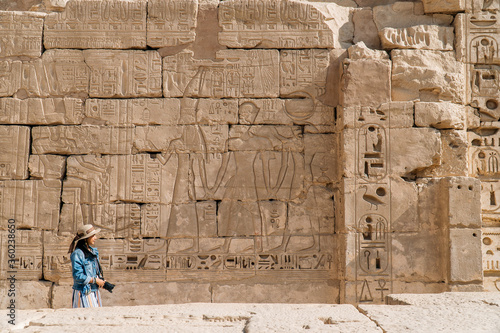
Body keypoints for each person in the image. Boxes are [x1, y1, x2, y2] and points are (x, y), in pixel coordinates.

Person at [68, 224, 105, 308]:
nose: (95, 238)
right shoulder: (78, 254)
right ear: (86, 238)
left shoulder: (93, 252)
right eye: (93, 236)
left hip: (94, 291)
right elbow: (77, 276)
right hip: (84, 293)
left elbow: (95, 270)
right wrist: (95, 280)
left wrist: (100, 280)